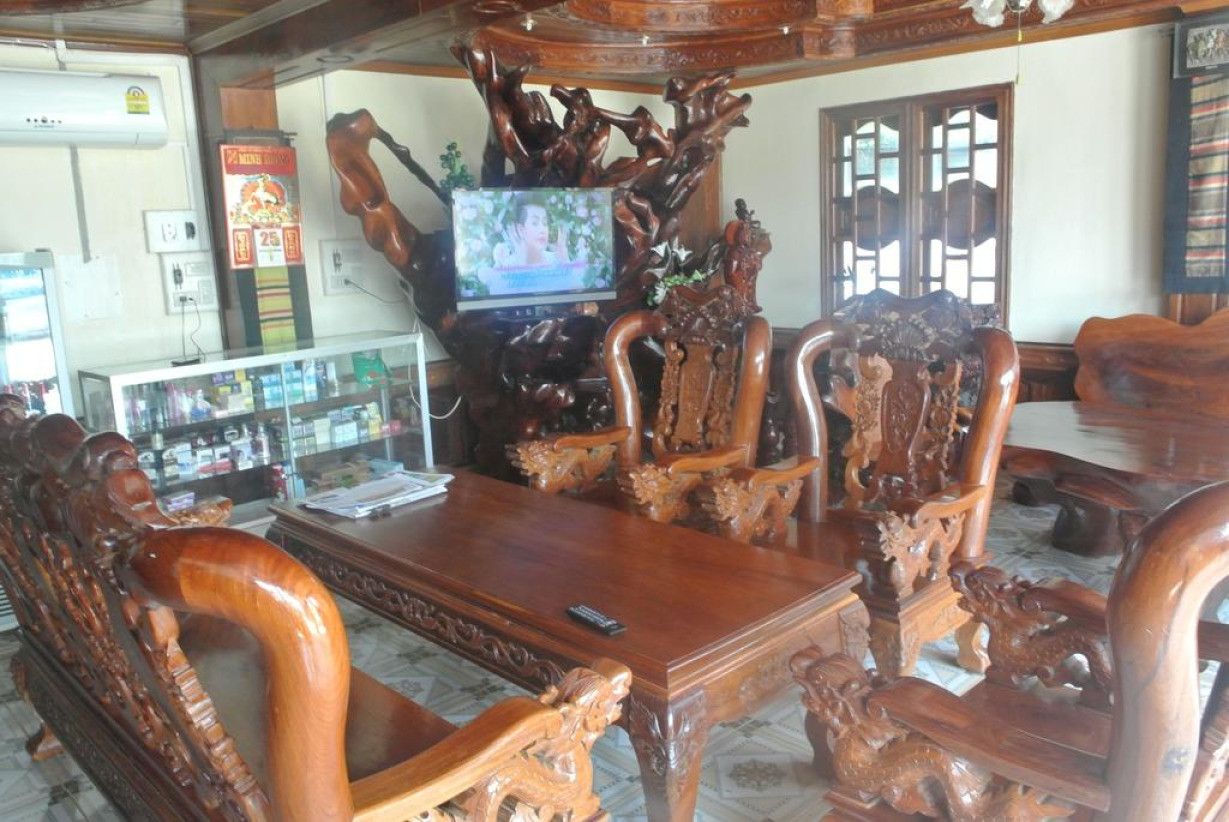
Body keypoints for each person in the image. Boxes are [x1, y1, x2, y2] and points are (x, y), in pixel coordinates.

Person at [493, 195, 584, 267]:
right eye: (535, 223)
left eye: (545, 223)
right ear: (521, 229)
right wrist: (523, 264)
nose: (542, 230)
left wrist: (565, 262)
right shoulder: (508, 265)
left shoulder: (556, 260)